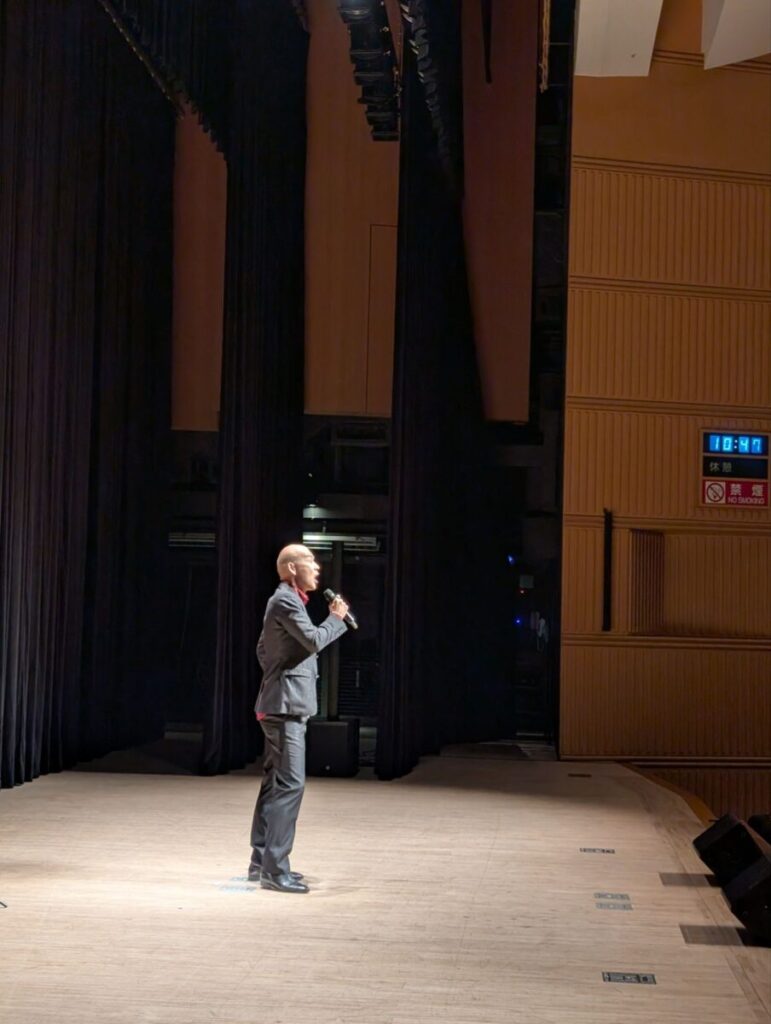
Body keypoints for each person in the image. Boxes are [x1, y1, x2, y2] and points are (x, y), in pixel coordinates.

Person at [248, 544, 349, 894]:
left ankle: (261, 861)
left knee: (275, 783)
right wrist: (336, 618)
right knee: (291, 785)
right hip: (284, 707)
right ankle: (275, 870)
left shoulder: (285, 602)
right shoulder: (286, 600)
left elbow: (263, 648)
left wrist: (277, 673)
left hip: (280, 702)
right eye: (311, 562)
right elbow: (313, 640)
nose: (317, 568)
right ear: (292, 568)